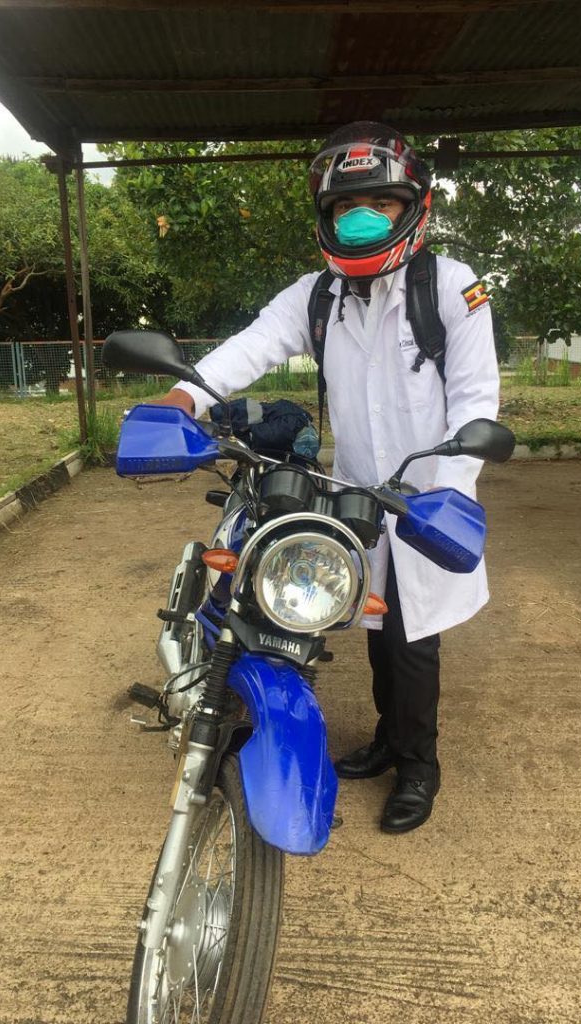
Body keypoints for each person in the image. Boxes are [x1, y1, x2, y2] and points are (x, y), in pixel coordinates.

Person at [154, 121, 500, 833]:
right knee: (370, 622)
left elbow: (476, 400)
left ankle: (419, 765)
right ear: (327, 217)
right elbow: (251, 345)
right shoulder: (317, 295)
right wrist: (188, 395)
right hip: (354, 493)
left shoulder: (452, 288)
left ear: (415, 209)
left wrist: (452, 483)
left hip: (427, 496)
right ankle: (385, 738)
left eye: (381, 204)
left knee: (411, 638)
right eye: (347, 207)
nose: (362, 218)